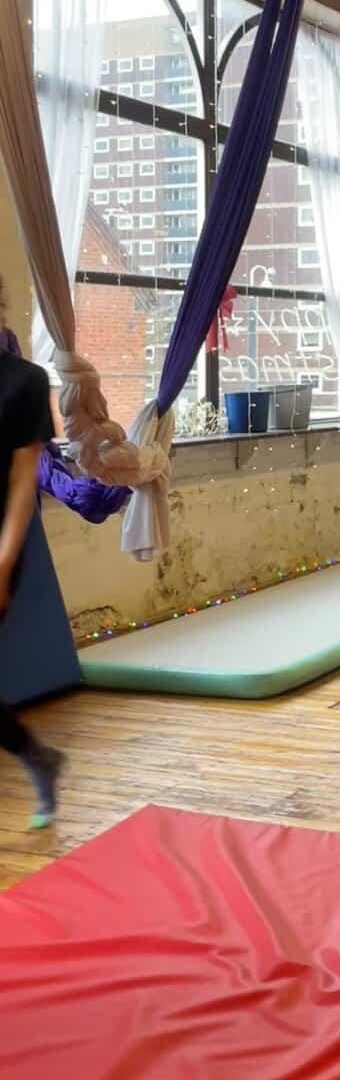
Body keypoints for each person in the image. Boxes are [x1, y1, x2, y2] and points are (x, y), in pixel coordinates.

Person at [0, 318, 66, 829]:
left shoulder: (24, 382)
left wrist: (2, 566)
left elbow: (26, 484)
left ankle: (35, 756)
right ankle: (36, 755)